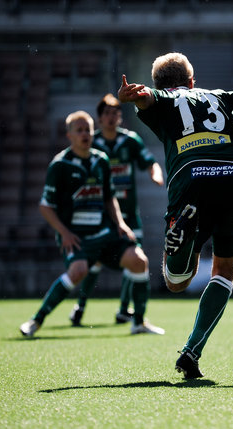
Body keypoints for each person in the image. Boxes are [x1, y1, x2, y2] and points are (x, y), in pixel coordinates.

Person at [117, 52, 233, 379]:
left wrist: (132, 96)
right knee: (225, 269)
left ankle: (183, 241)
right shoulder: (219, 96)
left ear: (163, 83)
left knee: (176, 282)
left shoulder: (164, 98)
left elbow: (146, 99)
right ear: (191, 81)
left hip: (193, 179)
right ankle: (193, 350)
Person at [19, 111, 164, 337]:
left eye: (87, 129)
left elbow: (109, 197)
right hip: (76, 235)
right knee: (79, 270)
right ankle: (35, 322)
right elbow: (46, 207)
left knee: (139, 261)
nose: (85, 134)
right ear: (69, 135)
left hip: (104, 232)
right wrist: (64, 233)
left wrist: (120, 223)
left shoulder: (100, 160)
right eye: (79, 130)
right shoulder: (60, 165)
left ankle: (138, 322)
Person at [69, 93, 165, 327]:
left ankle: (124, 309)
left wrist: (156, 173)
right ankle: (81, 305)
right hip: (100, 215)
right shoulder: (91, 143)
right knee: (96, 262)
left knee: (135, 258)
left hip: (129, 215)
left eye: (116, 113)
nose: (112, 118)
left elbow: (149, 161)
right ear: (99, 119)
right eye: (107, 114)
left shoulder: (130, 140)